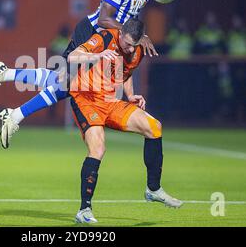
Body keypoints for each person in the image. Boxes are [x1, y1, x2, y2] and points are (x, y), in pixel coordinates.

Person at [0, 0, 159, 147]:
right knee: (67, 84)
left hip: (110, 40)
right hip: (92, 33)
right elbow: (104, 18)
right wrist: (137, 35)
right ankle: (15, 113)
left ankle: (7, 79)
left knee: (62, 81)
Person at [67, 19, 182, 223]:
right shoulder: (105, 38)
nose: (130, 49)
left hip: (111, 101)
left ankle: (153, 189)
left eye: (134, 45)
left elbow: (126, 74)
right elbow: (72, 56)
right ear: (121, 34)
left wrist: (131, 96)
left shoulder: (136, 51)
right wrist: (98, 54)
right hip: (86, 99)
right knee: (98, 149)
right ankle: (84, 210)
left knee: (154, 127)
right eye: (127, 43)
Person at [226, 14, 246, 121]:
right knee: (235, 90)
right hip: (234, 64)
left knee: (244, 90)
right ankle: (234, 115)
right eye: (234, 21)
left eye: (237, 21)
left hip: (244, 64)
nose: (236, 23)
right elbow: (227, 48)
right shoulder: (231, 34)